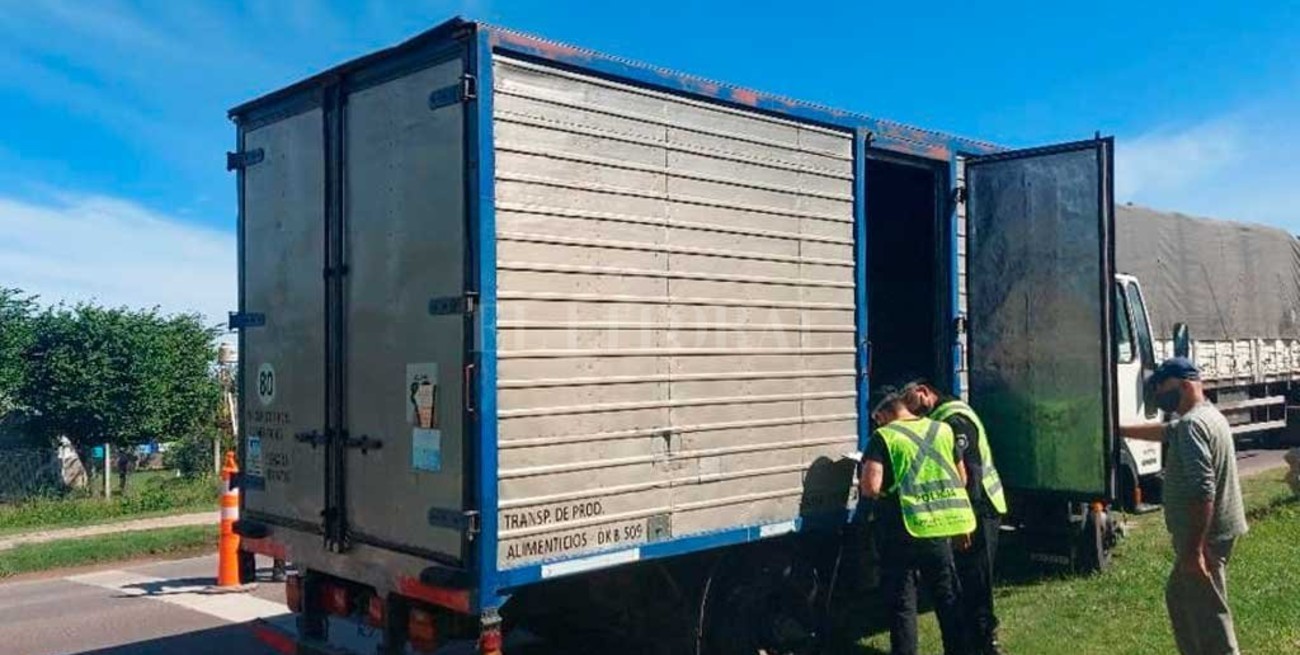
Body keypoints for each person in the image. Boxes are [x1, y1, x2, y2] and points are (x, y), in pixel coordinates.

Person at [1120, 357, 1247, 655]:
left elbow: (1203, 491)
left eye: (1165, 389)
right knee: (1178, 598)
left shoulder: (1192, 425)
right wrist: (1118, 430)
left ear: (1187, 385)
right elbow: (1165, 431)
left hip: (1206, 539)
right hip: (1214, 533)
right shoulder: (1208, 416)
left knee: (1210, 617)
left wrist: (1194, 550)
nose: (1161, 397)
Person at [861, 385, 976, 655]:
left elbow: (871, 487)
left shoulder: (883, 437)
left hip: (901, 531)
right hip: (938, 531)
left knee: (903, 605)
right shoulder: (942, 430)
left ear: (882, 414)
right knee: (948, 598)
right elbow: (961, 478)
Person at [902, 379, 1007, 655]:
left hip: (980, 509)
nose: (911, 410)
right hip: (967, 513)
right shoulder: (939, 418)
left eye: (911, 401)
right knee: (963, 585)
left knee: (976, 583)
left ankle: (986, 644)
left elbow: (971, 475)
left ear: (924, 391)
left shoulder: (954, 418)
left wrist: (966, 523)